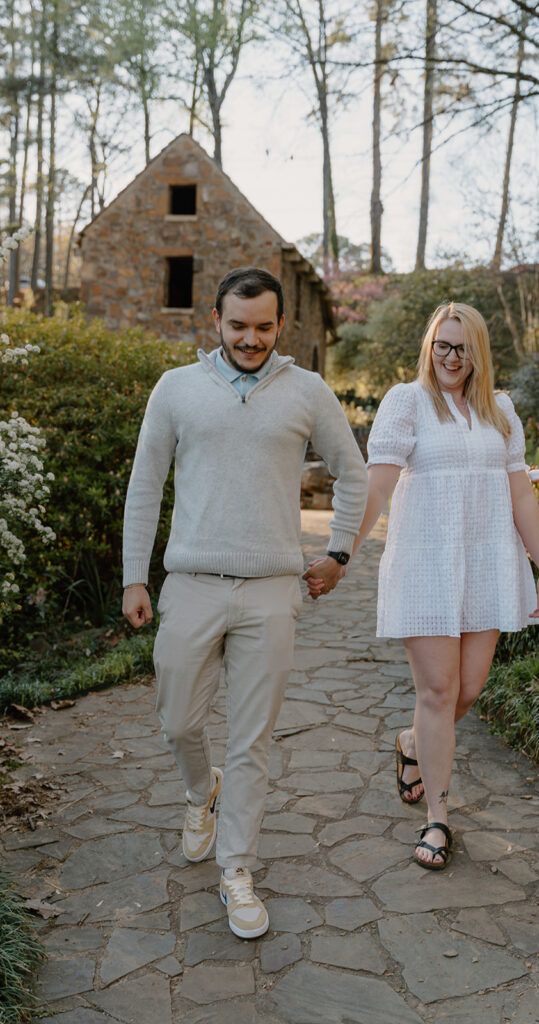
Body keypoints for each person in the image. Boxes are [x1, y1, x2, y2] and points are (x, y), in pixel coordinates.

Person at [122, 267, 367, 936]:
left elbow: (354, 473)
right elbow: (145, 486)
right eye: (238, 326)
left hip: (269, 591)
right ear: (216, 322)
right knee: (178, 722)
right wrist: (133, 578)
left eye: (263, 327)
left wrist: (339, 553)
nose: (250, 338)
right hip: (191, 585)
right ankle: (204, 790)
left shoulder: (307, 391)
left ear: (279, 324)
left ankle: (237, 871)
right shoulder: (177, 389)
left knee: (252, 739)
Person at [308, 301, 539, 870]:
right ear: (429, 347)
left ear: (479, 354)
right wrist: (341, 554)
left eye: (462, 347)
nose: (451, 356)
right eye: (442, 344)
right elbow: (378, 486)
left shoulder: (501, 412)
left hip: (488, 565)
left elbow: (520, 494)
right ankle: (438, 819)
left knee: (468, 690)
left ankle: (414, 743)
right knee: (438, 694)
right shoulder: (408, 403)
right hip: (426, 565)